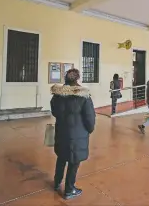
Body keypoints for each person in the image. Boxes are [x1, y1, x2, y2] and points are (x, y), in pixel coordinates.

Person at [50, 68, 96, 200]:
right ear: (77, 79)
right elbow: (90, 118)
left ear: (65, 78)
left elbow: (54, 112)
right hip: (77, 135)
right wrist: (89, 130)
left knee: (61, 157)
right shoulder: (83, 96)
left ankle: (57, 182)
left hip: (62, 132)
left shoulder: (57, 95)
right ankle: (69, 190)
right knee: (74, 161)